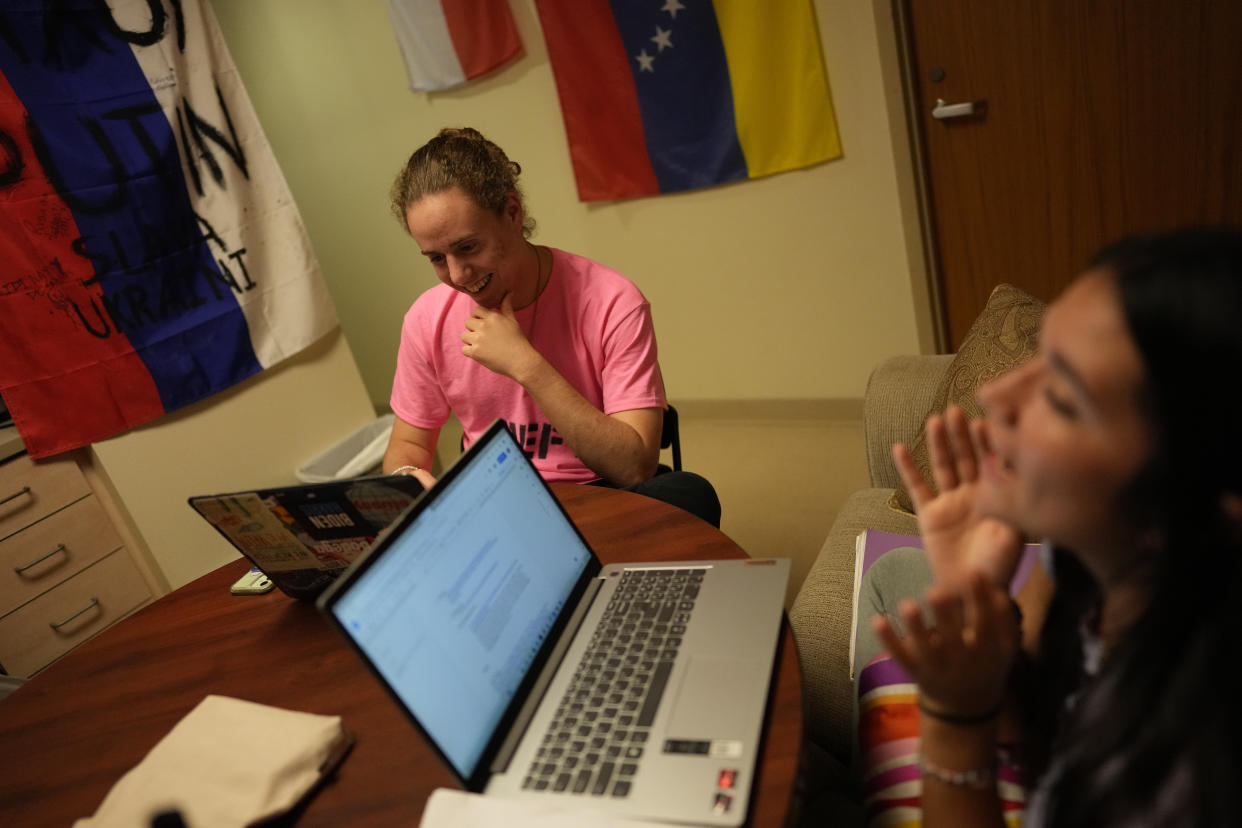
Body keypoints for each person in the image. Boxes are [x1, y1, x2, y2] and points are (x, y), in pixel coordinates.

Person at [858, 226, 1242, 826]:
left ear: (1178, 508)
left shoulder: (1181, 785)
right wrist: (978, 600)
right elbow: (1035, 696)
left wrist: (955, 720)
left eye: (1062, 397)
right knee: (893, 571)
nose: (995, 396)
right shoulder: (1082, 558)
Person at [381, 127, 720, 526]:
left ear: (512, 212)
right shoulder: (426, 320)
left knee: (690, 495)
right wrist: (408, 480)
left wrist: (525, 364)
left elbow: (634, 468)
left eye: (468, 247)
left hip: (600, 494)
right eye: (436, 258)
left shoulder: (613, 301)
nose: (456, 274)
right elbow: (408, 443)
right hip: (497, 506)